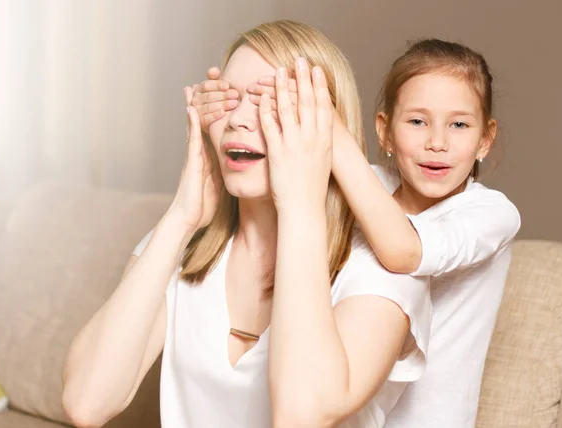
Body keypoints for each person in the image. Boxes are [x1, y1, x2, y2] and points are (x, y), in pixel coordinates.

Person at [61, 20, 431, 428]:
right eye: (229, 99)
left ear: (328, 128)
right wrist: (180, 217)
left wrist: (300, 203)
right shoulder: (187, 248)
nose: (238, 119)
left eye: (270, 103)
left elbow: (301, 415)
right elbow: (86, 404)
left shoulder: (379, 270)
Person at [196, 38, 521, 427]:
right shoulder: (367, 183)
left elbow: (403, 252)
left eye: (459, 125)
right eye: (417, 121)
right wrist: (220, 116)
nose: (437, 142)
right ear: (384, 131)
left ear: (485, 139)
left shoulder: (491, 214)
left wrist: (332, 129)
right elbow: (285, 200)